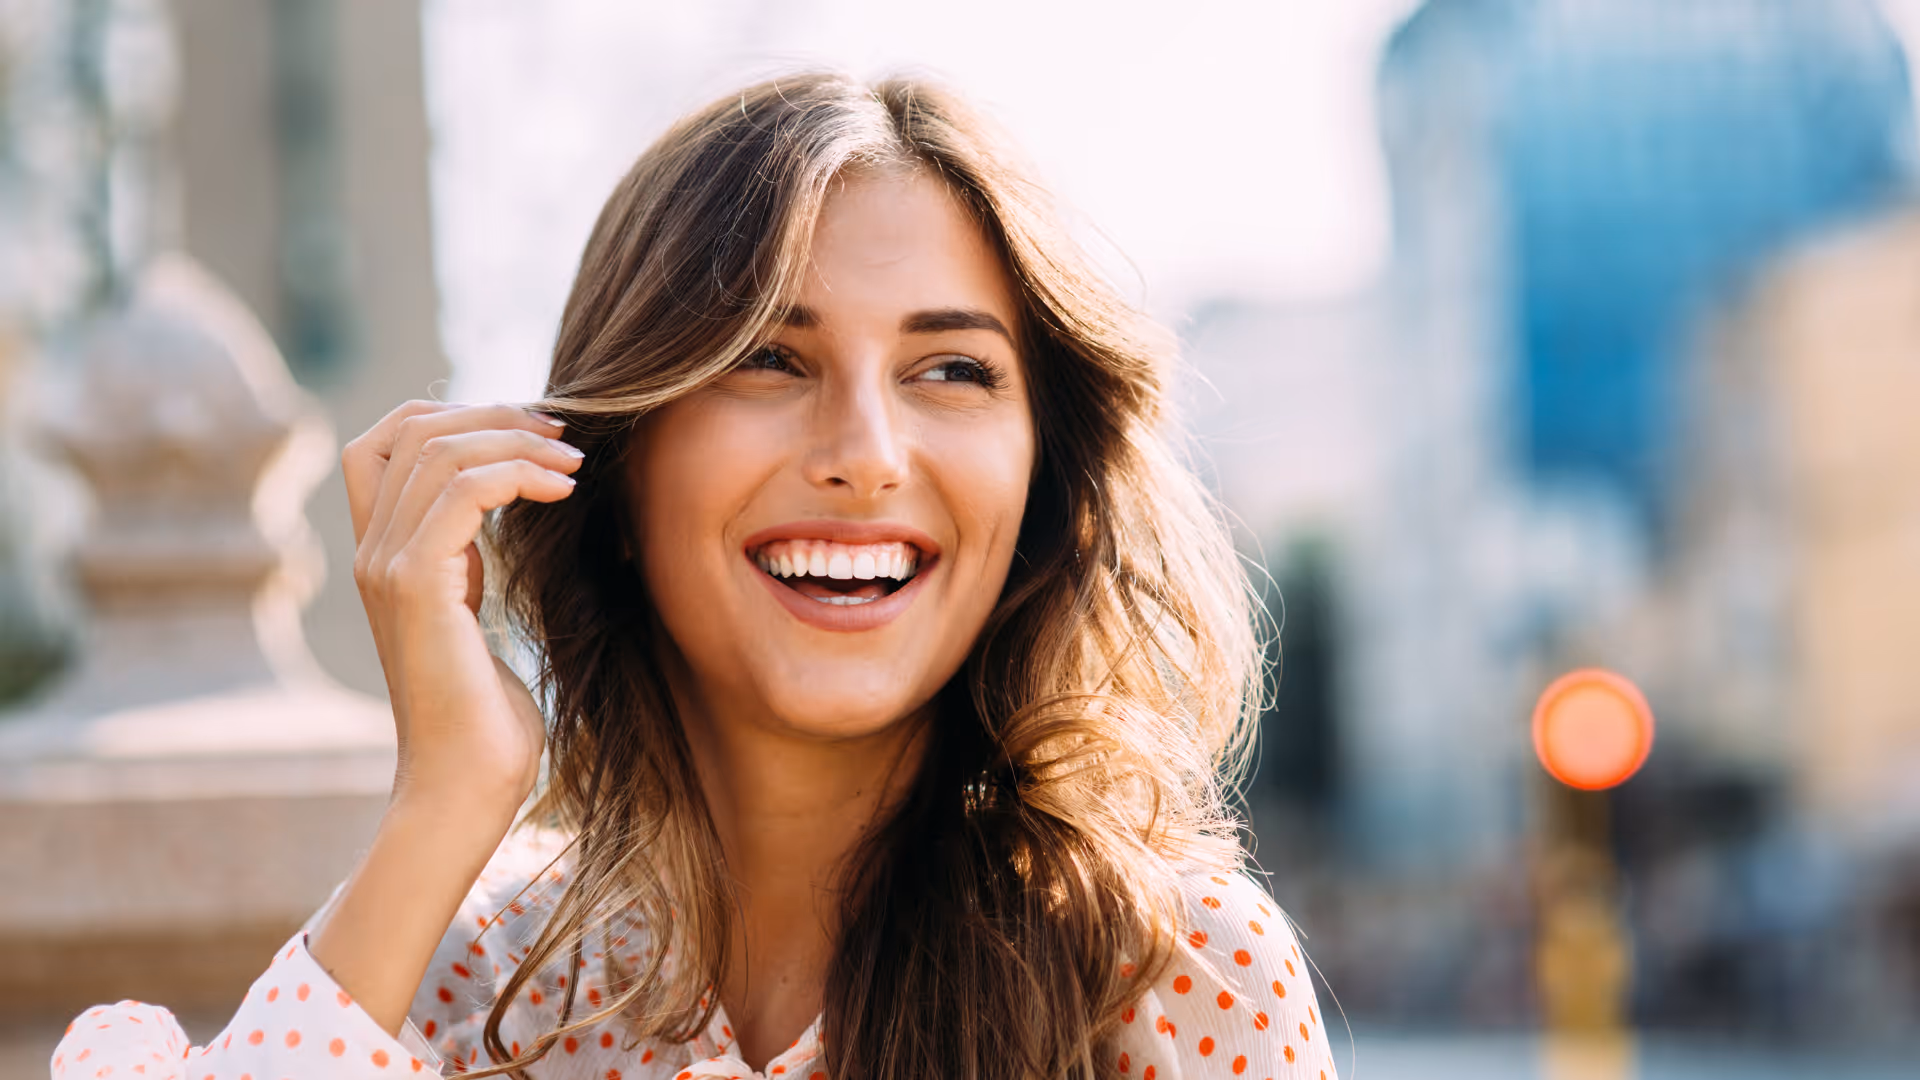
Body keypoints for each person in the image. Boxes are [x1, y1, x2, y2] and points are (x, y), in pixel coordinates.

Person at [52, 72, 1337, 1080]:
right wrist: (445, 799)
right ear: (612, 469)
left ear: (1041, 485)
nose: (866, 458)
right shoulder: (469, 979)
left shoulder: (1172, 981)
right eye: (768, 360)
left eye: (950, 370)